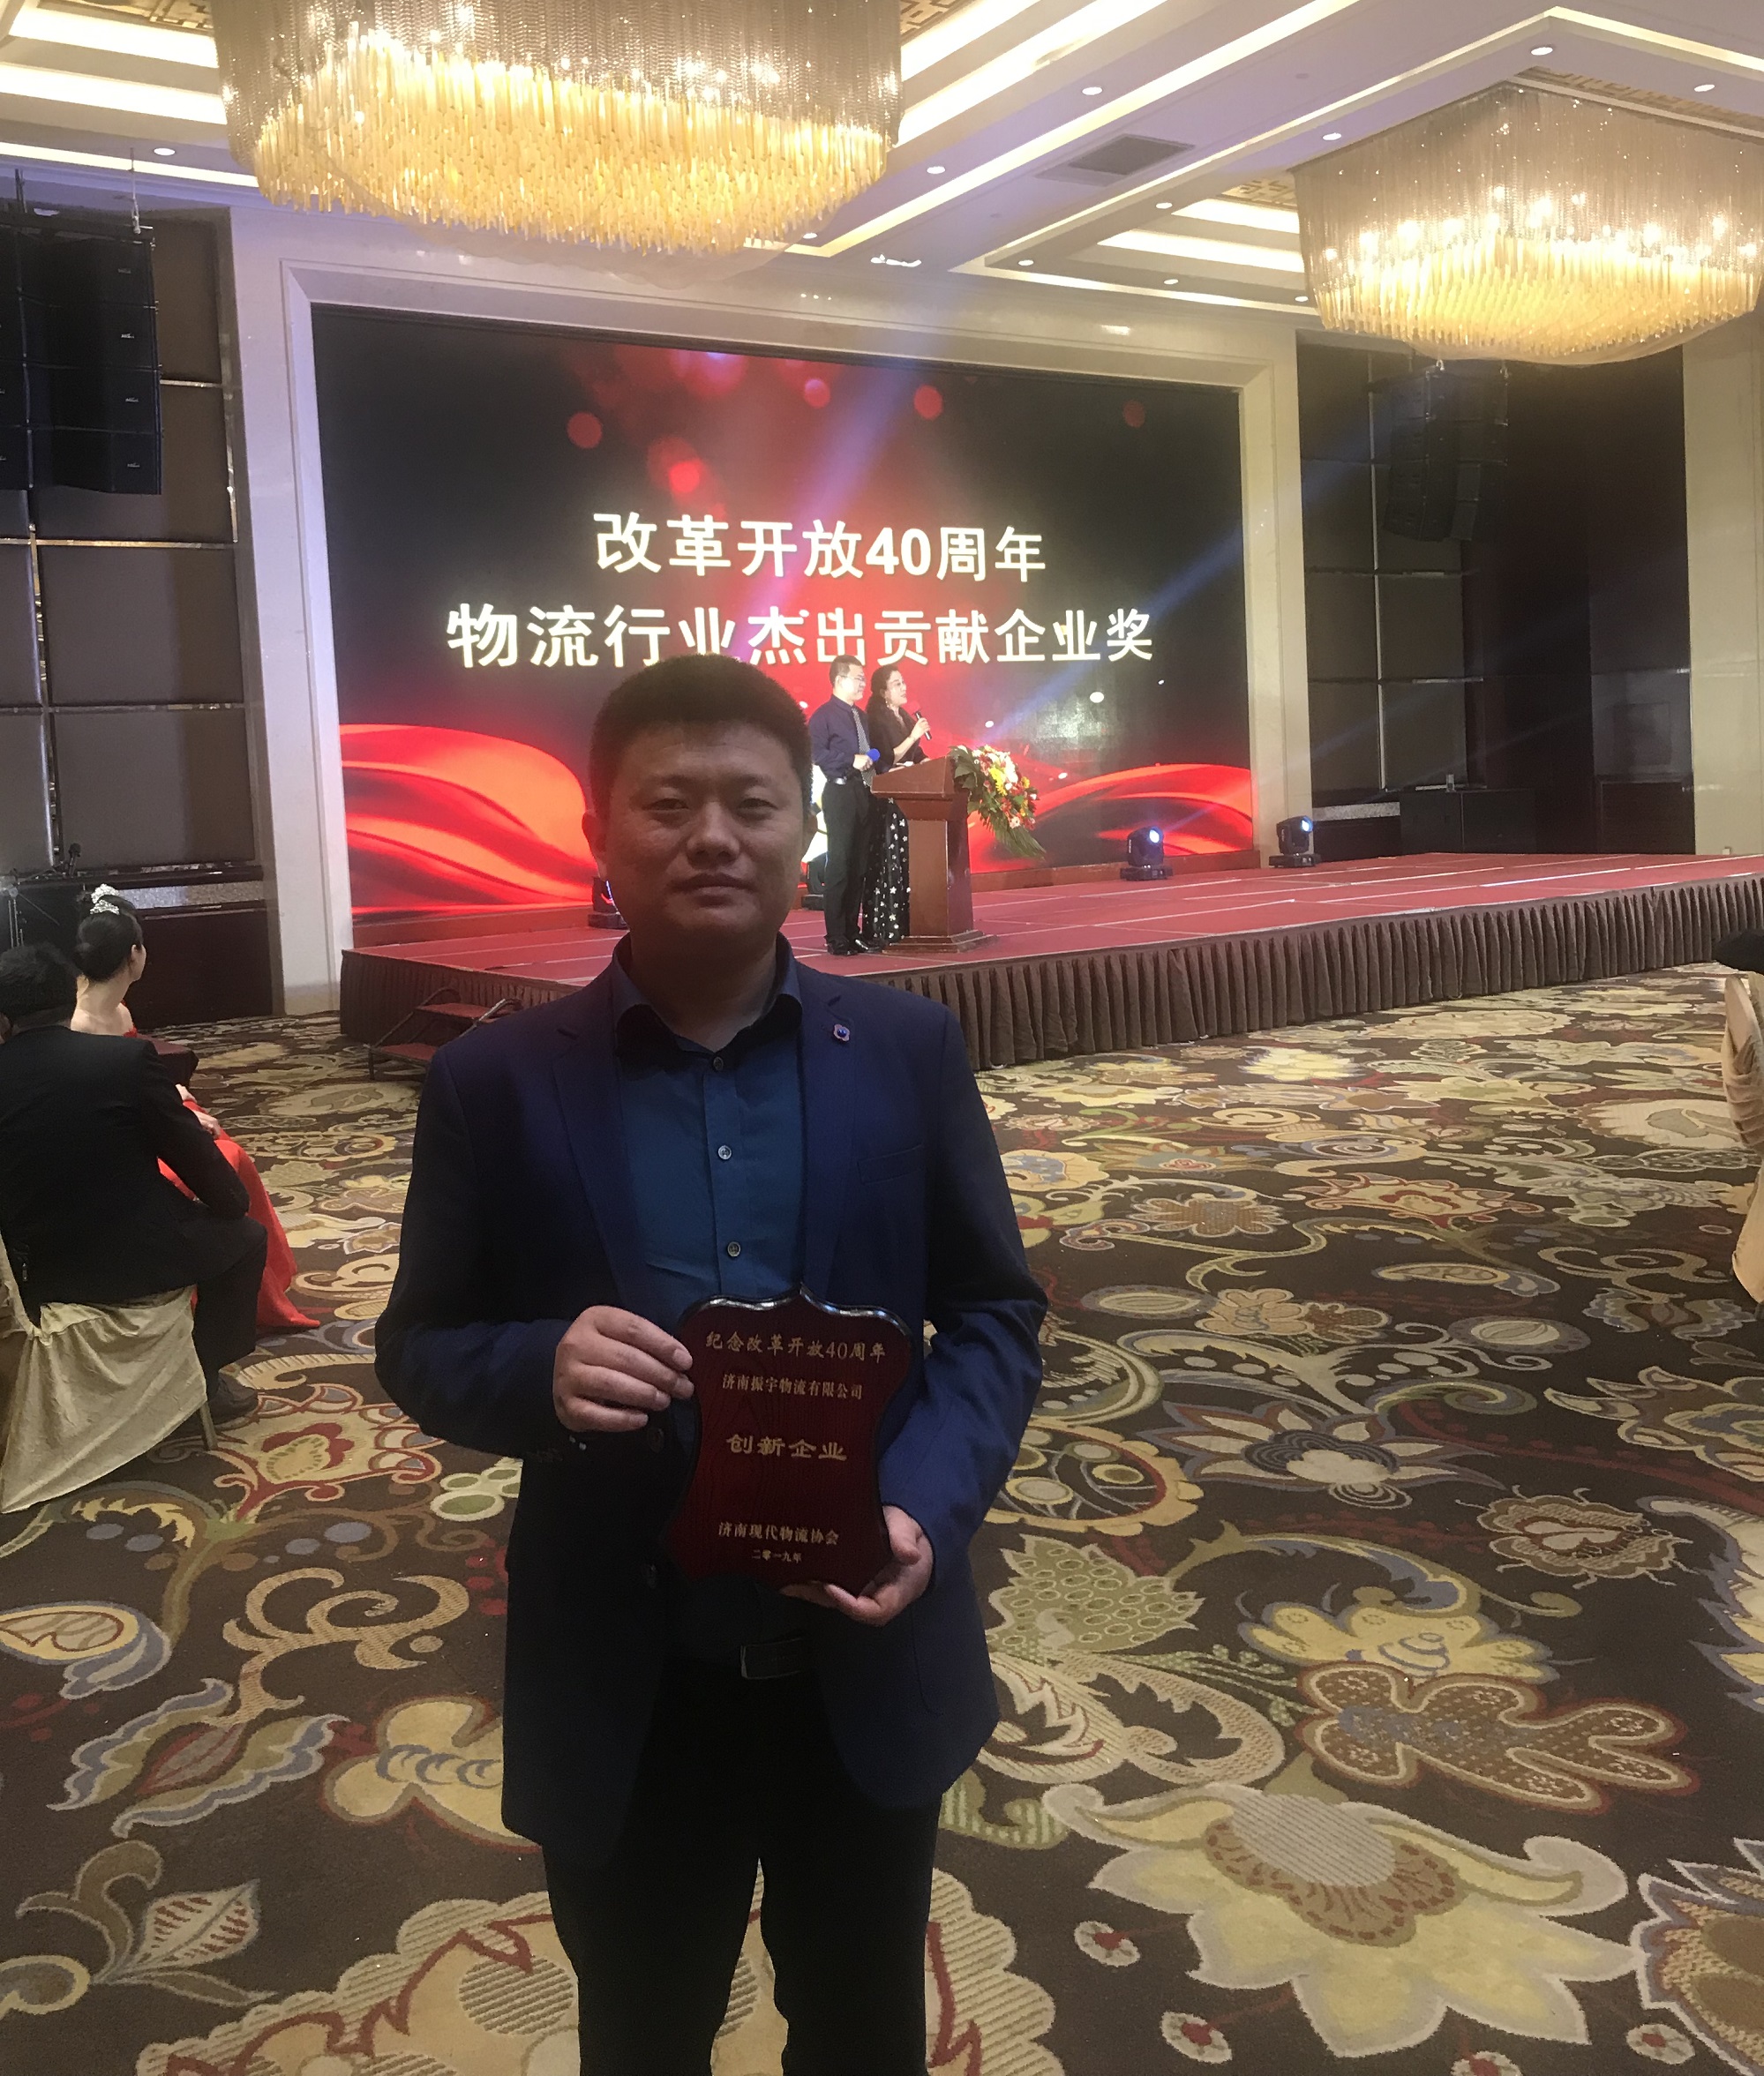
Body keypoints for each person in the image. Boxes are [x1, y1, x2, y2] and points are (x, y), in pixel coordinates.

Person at [376, 654, 1044, 2076]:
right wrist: (535, 1366)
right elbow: (419, 1344)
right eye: (668, 804)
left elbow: (992, 1312)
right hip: (629, 1674)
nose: (712, 837)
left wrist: (924, 1503)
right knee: (642, 2030)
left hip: (857, 1648)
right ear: (599, 834)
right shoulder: (496, 1082)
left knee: (862, 2030)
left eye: (750, 803)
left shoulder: (906, 1051)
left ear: (804, 828)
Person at [0, 941, 266, 1421]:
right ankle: (202, 1380)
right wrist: (231, 1202)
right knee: (246, 1238)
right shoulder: (124, 1062)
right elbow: (191, 1154)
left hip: (31, 1271)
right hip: (136, 1258)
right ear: (71, 995)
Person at [68, 891, 315, 1335]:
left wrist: (174, 1095)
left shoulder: (118, 1009)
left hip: (146, 1113)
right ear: (134, 955)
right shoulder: (77, 1024)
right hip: (119, 1143)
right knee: (220, 1160)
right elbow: (98, 1106)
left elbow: (137, 1079)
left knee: (227, 1151)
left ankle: (254, 1285)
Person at [807, 652, 875, 955]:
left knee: (859, 866)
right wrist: (851, 760)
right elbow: (816, 754)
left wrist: (872, 759)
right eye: (858, 678)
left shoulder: (861, 716)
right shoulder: (823, 716)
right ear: (839, 680)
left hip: (863, 792)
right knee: (840, 866)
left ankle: (852, 931)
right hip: (839, 792)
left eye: (864, 678)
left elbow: (870, 751)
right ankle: (835, 936)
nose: (863, 684)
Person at [862, 664, 932, 948]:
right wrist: (913, 735)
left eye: (904, 682)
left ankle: (914, 920)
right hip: (891, 799)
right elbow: (885, 758)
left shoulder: (903, 715)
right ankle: (888, 923)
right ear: (883, 692)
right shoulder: (875, 719)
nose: (904, 688)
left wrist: (933, 764)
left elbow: (917, 754)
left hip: (910, 794)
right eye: (897, 684)